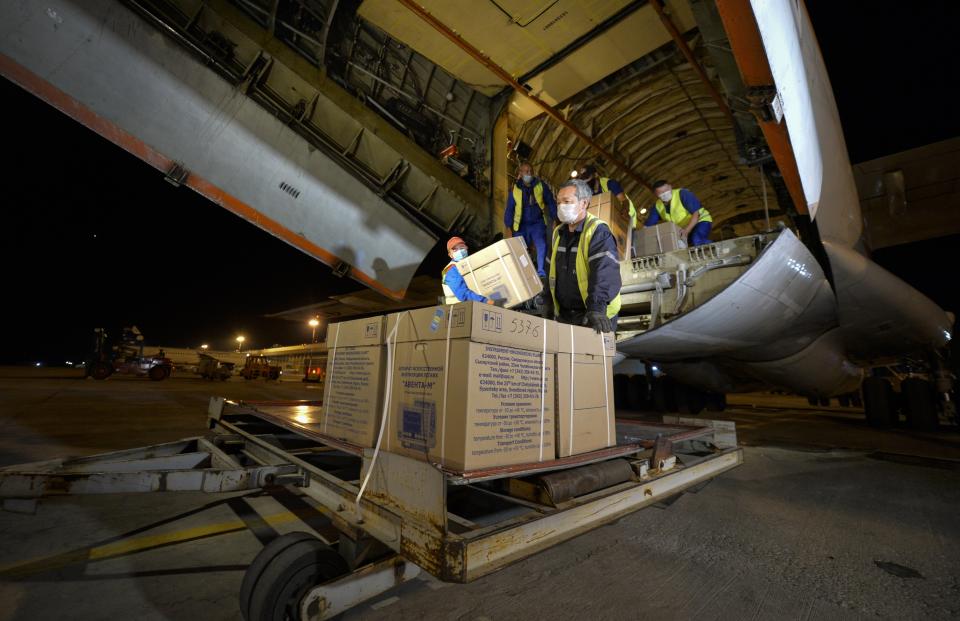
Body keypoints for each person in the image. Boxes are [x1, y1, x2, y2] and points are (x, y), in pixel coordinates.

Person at [543, 179, 622, 333]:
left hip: (594, 316)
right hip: (566, 317)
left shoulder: (598, 232)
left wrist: (597, 309)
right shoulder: (557, 233)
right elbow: (550, 271)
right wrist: (547, 302)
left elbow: (604, 273)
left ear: (584, 203)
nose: (560, 206)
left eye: (566, 201)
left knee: (593, 357)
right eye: (558, 202)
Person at [503, 161, 557, 278]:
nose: (529, 173)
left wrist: (555, 218)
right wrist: (508, 227)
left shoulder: (540, 185)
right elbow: (510, 209)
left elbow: (551, 201)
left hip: (537, 223)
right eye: (526, 171)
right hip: (521, 226)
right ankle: (525, 274)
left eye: (531, 171)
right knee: (522, 251)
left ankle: (541, 272)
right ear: (520, 173)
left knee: (541, 244)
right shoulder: (514, 190)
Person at [644, 180, 713, 246]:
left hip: (700, 221)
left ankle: (714, 250)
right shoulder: (657, 206)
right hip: (683, 228)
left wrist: (687, 230)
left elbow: (696, 214)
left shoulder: (683, 194)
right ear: (656, 194)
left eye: (666, 190)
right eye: (661, 193)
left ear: (670, 187)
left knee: (696, 239)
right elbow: (649, 224)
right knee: (678, 245)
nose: (665, 193)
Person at [441, 237, 504, 306]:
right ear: (450, 255)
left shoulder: (469, 263)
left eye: (461, 248)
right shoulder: (451, 270)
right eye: (455, 250)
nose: (460, 251)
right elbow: (463, 294)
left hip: (474, 304)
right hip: (459, 307)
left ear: (466, 248)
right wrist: (487, 301)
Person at [578, 164, 637, 229]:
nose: (586, 180)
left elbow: (624, 201)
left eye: (587, 177)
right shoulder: (589, 193)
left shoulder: (610, 184)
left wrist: (624, 212)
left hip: (628, 219)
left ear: (596, 175)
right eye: (583, 178)